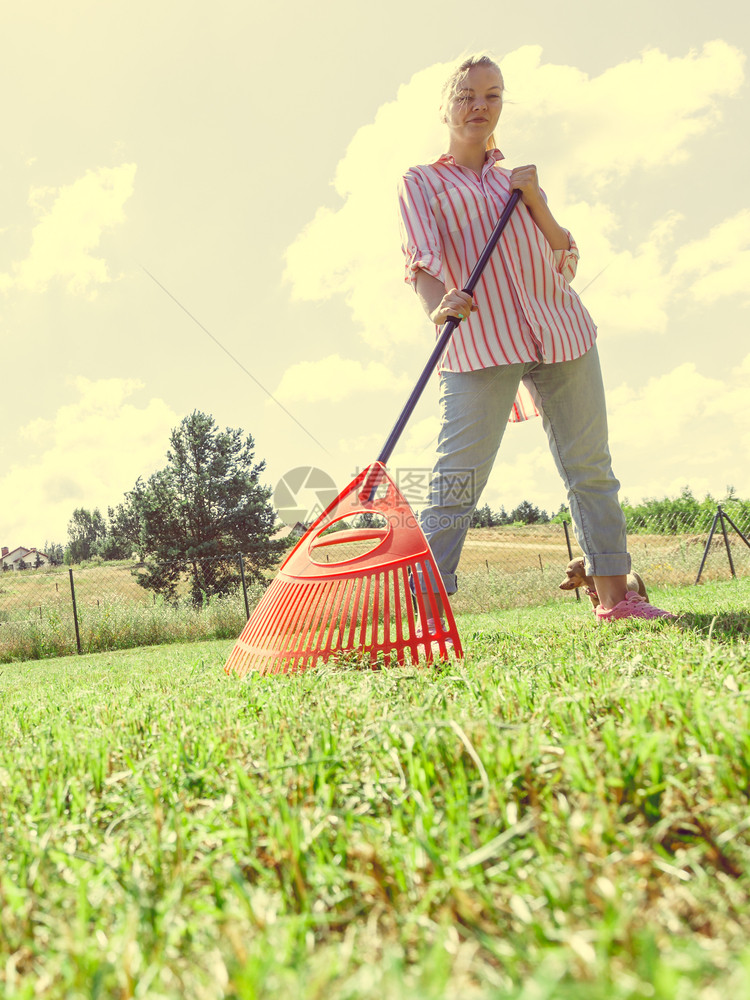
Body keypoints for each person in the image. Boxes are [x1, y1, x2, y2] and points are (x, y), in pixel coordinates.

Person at [397, 53, 675, 623]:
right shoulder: (420, 182)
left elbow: (565, 259)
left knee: (590, 467)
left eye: (492, 95)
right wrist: (438, 306)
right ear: (446, 105)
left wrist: (535, 199)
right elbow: (421, 262)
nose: (480, 105)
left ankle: (617, 601)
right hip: (479, 341)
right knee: (457, 477)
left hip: (561, 331)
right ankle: (424, 612)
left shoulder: (516, 178)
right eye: (467, 94)